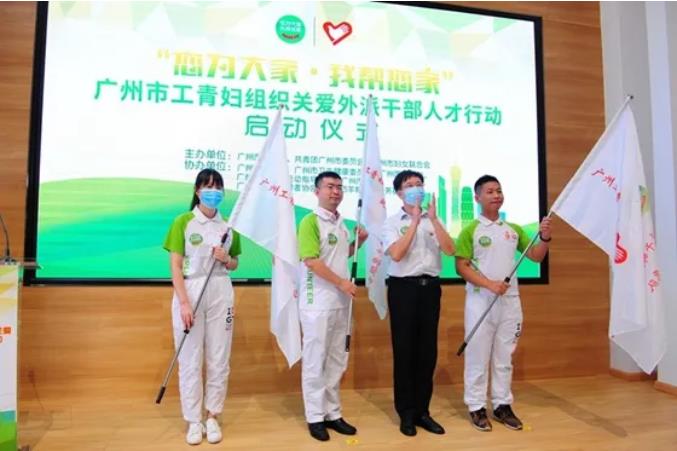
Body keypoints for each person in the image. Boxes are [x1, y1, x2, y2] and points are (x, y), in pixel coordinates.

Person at [455, 174, 551, 432]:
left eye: (498, 190)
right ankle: (476, 406)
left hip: (510, 302)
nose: (496, 195)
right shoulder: (470, 230)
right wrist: (489, 284)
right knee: (477, 356)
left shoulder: (513, 230)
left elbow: (536, 257)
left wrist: (544, 238)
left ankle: (502, 405)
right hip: (480, 301)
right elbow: (461, 266)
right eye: (489, 191)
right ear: (477, 197)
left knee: (504, 357)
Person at [163, 168, 242, 445]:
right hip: (191, 290)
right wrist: (184, 303)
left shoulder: (228, 226)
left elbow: (235, 263)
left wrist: (226, 259)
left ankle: (212, 416)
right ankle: (193, 420)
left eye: (218, 187)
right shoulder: (184, 222)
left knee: (219, 357)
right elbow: (175, 265)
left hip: (221, 290)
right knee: (190, 359)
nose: (214, 192)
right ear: (197, 191)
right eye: (208, 187)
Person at [382, 170, 455, 437]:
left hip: (430, 289)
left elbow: (450, 250)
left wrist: (432, 219)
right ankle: (406, 412)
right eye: (410, 185)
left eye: (419, 184)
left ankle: (423, 411)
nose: (416, 188)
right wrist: (413, 222)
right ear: (399, 193)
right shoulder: (391, 223)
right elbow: (397, 254)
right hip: (403, 289)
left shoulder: (433, 220)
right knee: (405, 352)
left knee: (427, 352)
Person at [297, 171, 368, 442]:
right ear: (317, 191)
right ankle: (315, 417)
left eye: (339, 186)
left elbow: (339, 255)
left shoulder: (341, 223)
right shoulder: (310, 221)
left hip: (340, 302)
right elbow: (312, 261)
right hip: (317, 303)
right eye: (329, 186)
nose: (335, 191)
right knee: (315, 360)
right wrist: (341, 282)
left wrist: (359, 242)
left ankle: (332, 413)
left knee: (337, 360)